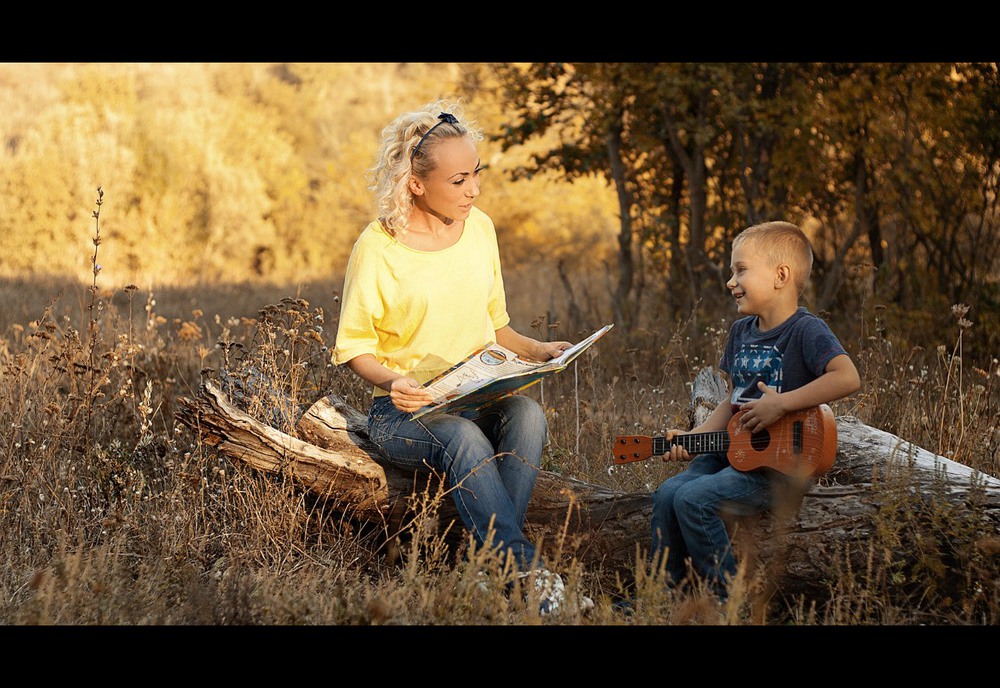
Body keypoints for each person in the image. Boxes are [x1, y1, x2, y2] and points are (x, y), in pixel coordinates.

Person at [332, 99, 583, 615]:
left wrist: (539, 351)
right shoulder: (377, 247)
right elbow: (354, 347)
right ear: (417, 184)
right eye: (459, 180)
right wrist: (396, 381)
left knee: (529, 416)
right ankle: (524, 576)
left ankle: (486, 570)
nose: (474, 190)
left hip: (473, 396)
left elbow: (497, 325)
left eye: (477, 175)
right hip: (404, 414)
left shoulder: (481, 229)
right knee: (464, 435)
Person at [648, 220, 861, 603]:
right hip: (733, 452)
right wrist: (694, 440)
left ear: (781, 275)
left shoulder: (805, 331)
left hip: (775, 468)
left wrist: (780, 403)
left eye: (740, 270)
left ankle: (730, 604)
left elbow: (847, 377)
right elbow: (733, 401)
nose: (731, 281)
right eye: (732, 271)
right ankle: (664, 597)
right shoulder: (740, 331)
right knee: (667, 494)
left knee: (693, 499)